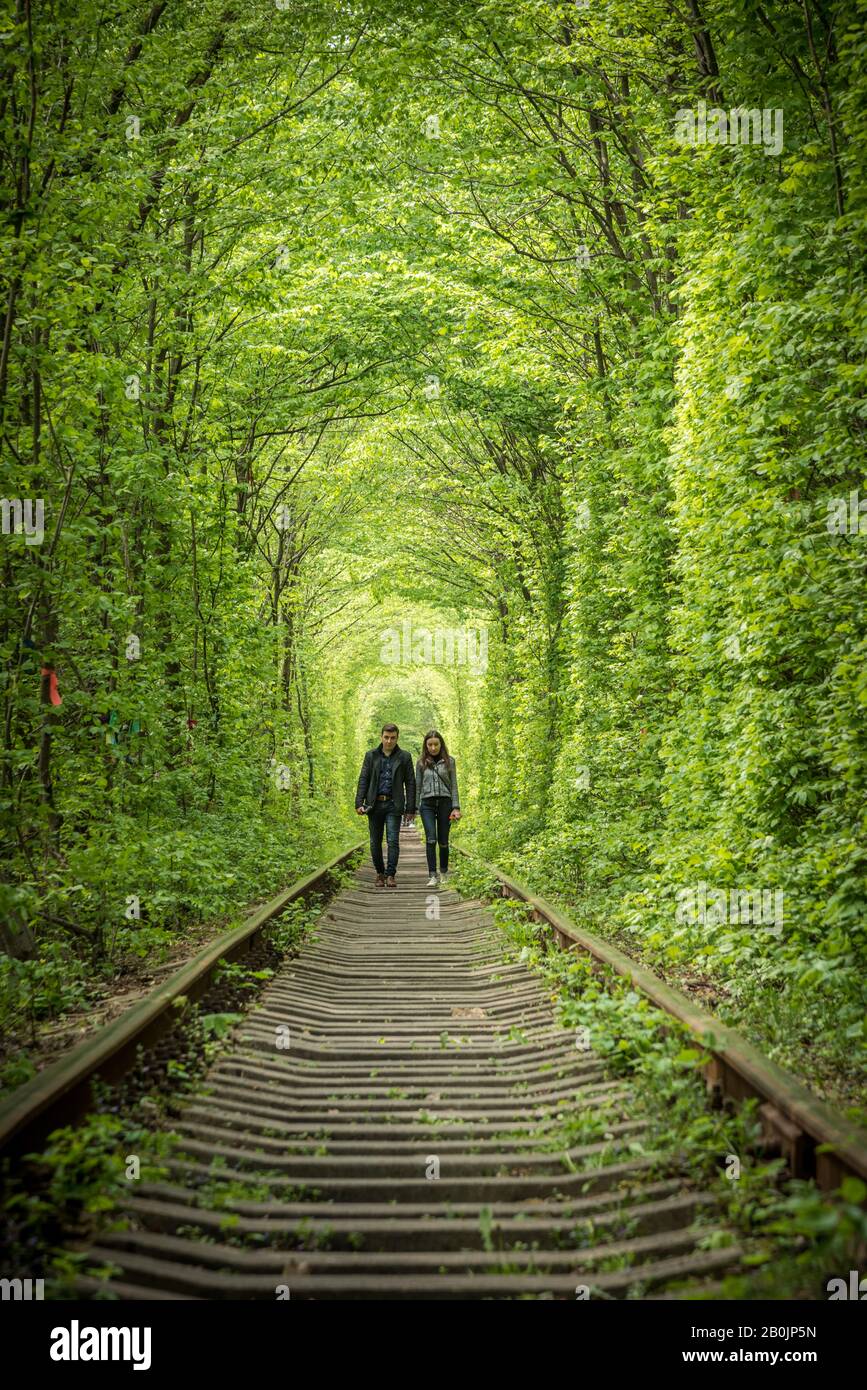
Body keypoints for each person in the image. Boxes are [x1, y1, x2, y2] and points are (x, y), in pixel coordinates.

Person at [355, 723, 416, 887]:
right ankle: (380, 873)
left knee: (392, 840)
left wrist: (411, 808)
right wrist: (359, 802)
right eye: (386, 737)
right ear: (381, 737)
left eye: (393, 738)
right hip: (374, 805)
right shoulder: (371, 756)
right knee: (375, 842)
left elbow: (411, 783)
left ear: (397, 738)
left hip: (393, 804)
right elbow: (364, 779)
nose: (389, 741)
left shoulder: (405, 757)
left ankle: (391, 874)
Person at [415, 729, 461, 887]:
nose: (433, 748)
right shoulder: (420, 763)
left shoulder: (450, 761)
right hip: (427, 804)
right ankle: (432, 875)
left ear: (441, 744)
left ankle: (443, 872)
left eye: (436, 744)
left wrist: (456, 807)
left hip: (445, 803)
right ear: (425, 745)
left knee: (443, 840)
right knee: (430, 839)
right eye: (430, 745)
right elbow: (418, 787)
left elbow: (454, 786)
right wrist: (414, 808)